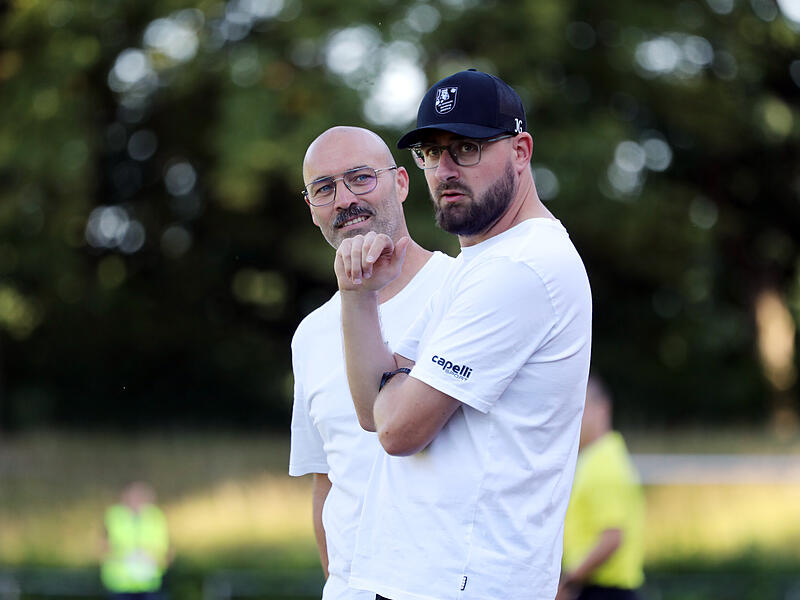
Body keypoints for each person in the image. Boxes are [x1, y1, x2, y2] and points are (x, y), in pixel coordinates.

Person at [335, 69, 593, 600]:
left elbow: (397, 431)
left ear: (521, 151)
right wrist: (357, 292)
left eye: (467, 148)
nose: (444, 169)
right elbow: (371, 409)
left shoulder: (521, 267)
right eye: (430, 152)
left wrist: (396, 392)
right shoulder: (482, 264)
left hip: (464, 583)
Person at [288, 126, 454, 599]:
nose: (343, 199)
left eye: (360, 178)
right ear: (312, 208)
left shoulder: (462, 290)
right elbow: (328, 482)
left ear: (402, 183)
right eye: (324, 188)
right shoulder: (311, 335)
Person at [556, 376, 645, 600]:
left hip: (605, 591)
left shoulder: (604, 464)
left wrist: (569, 581)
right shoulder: (598, 459)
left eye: (581, 407)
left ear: (602, 408)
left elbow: (612, 537)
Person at [101, 481, 171, 600]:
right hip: (120, 583)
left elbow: (167, 549)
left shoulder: (156, 516)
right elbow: (102, 546)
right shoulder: (114, 516)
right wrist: (121, 556)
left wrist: (158, 560)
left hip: (150, 582)